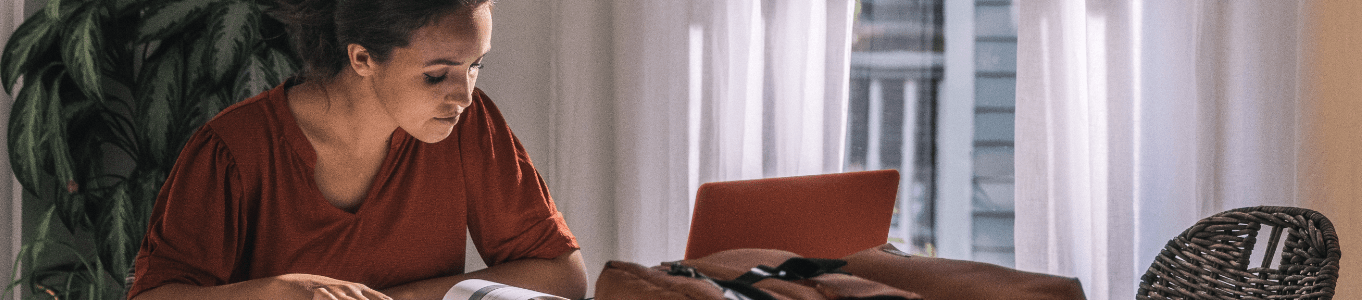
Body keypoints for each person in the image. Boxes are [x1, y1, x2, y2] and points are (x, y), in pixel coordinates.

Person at [127, 0, 587, 299]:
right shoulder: (234, 149)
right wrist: (284, 292)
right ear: (362, 59)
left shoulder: (466, 125)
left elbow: (562, 273)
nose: (464, 95)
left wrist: (402, 297)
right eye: (437, 75)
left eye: (475, 66)